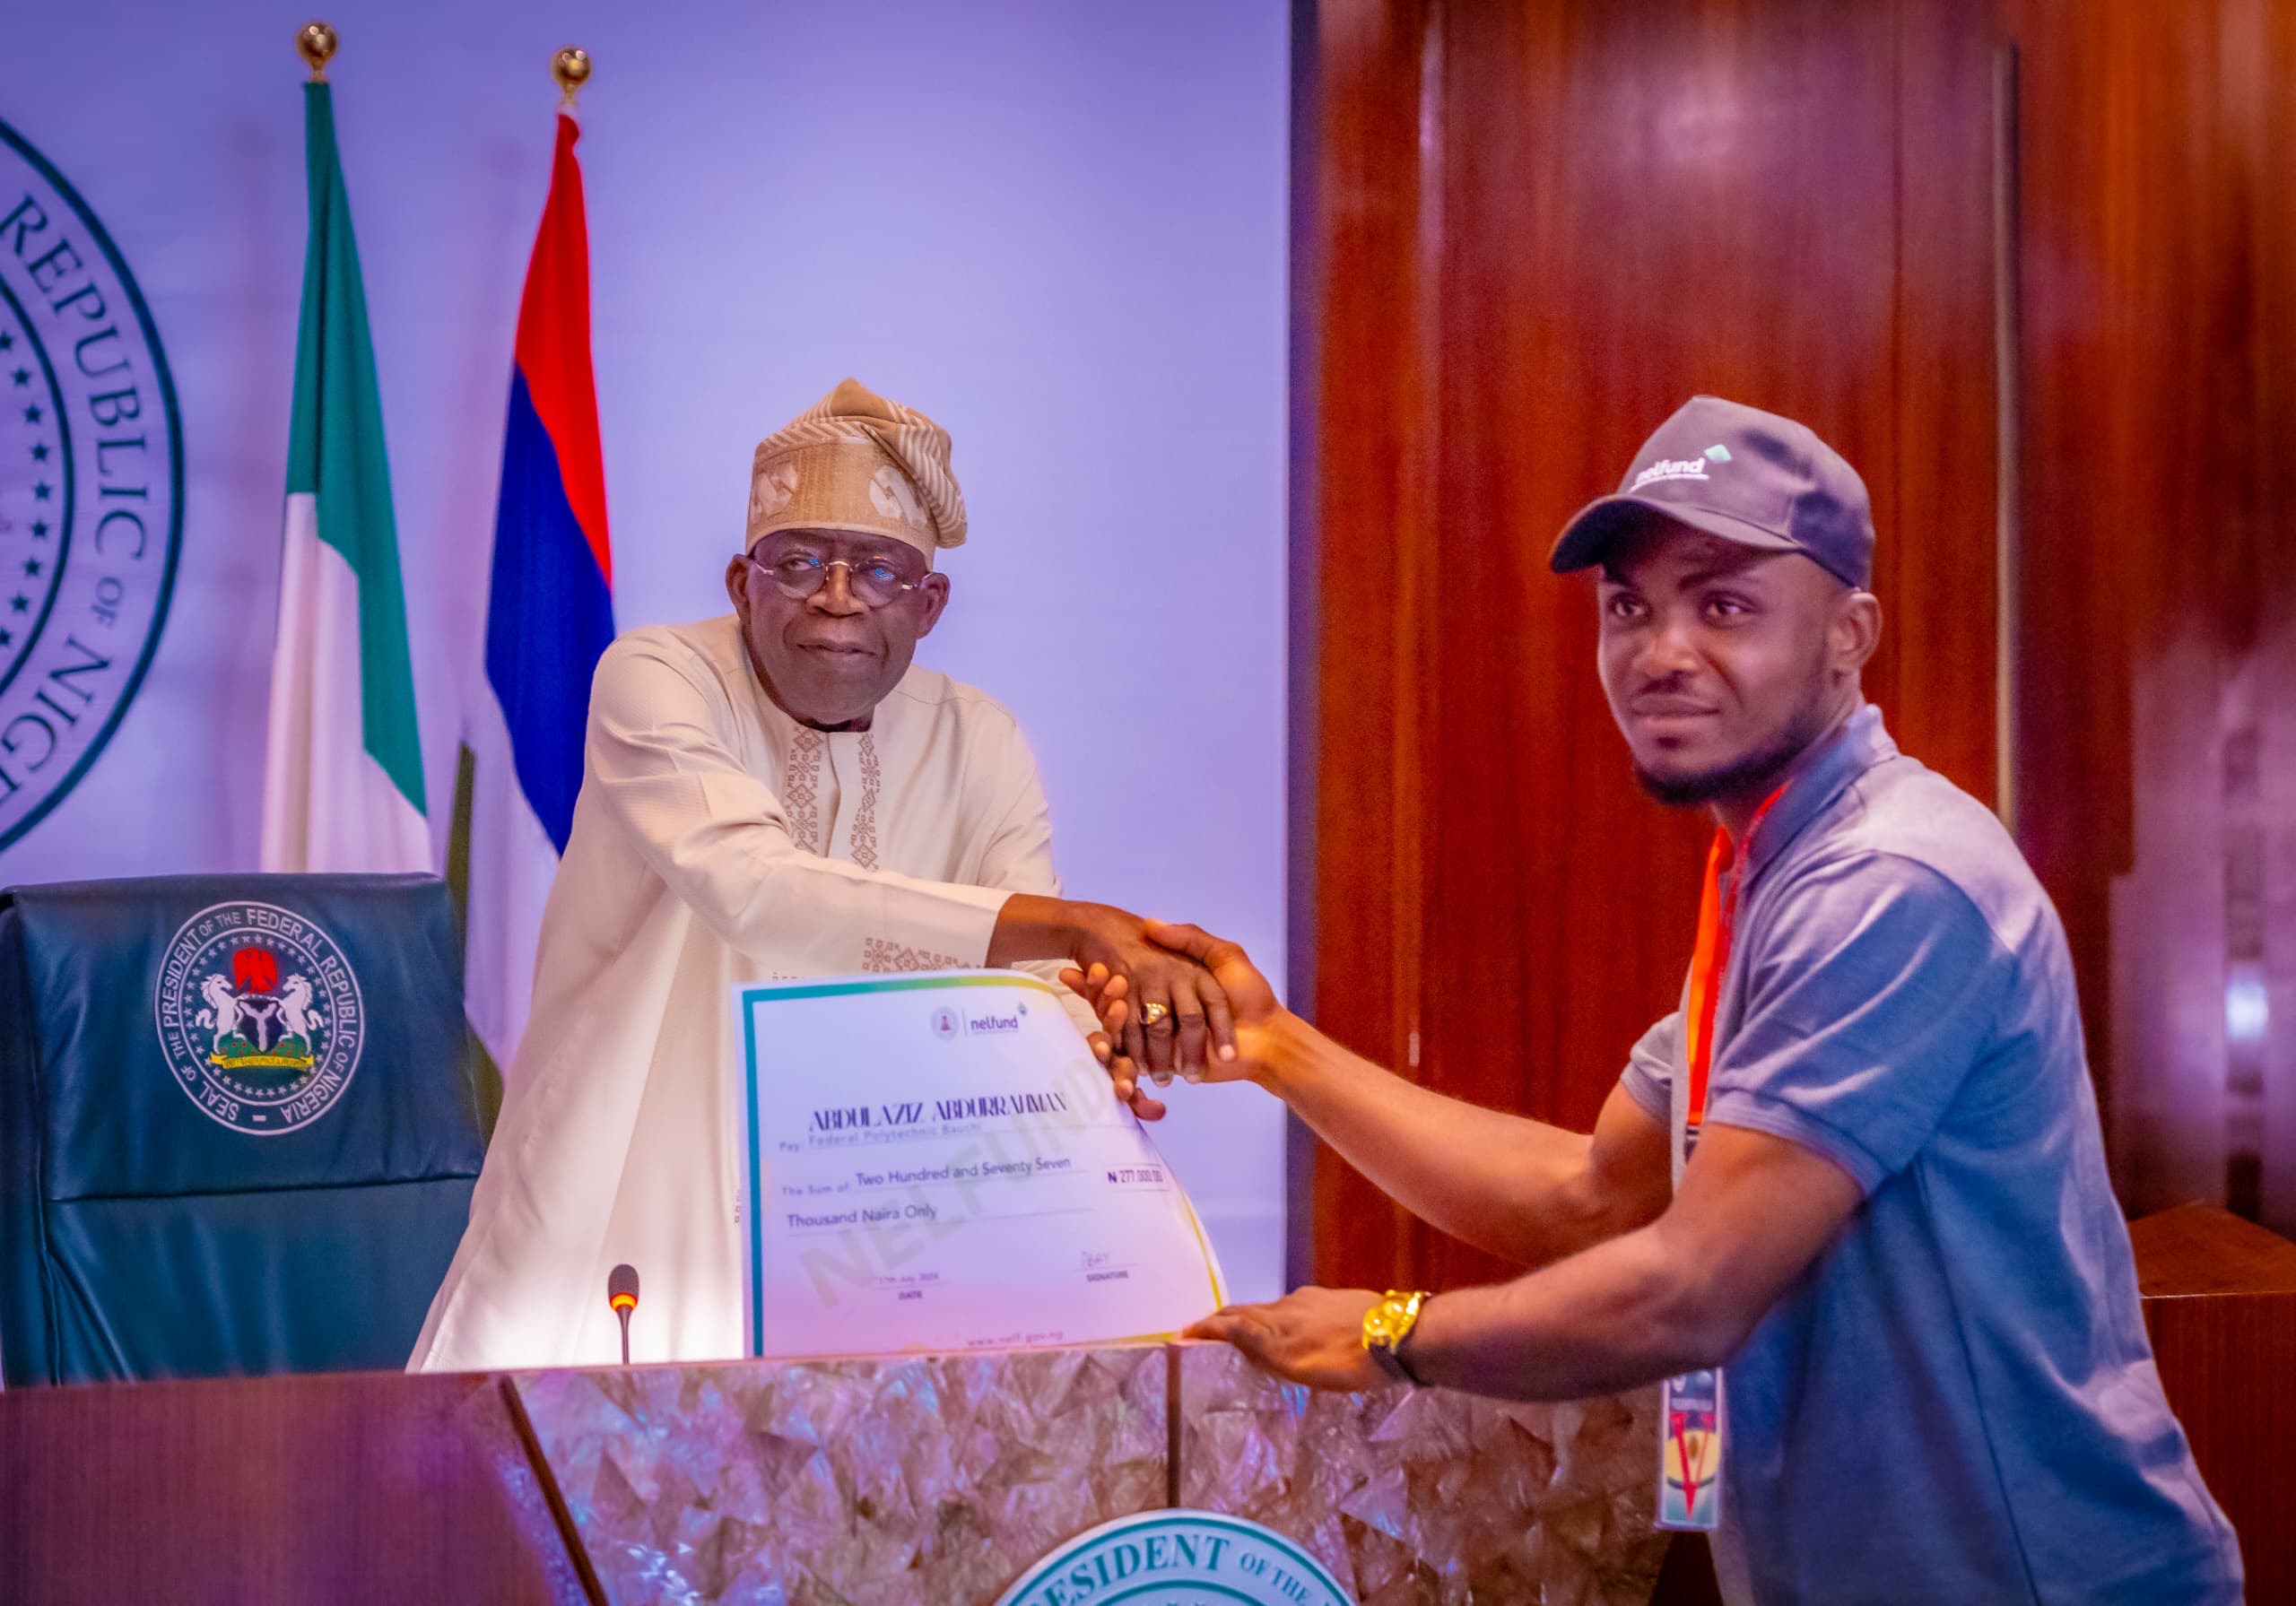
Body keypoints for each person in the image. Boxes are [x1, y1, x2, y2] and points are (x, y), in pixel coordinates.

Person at [1069, 397, 2242, 1603]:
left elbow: (1690, 1288)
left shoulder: (1886, 880)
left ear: (1850, 632)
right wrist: (1274, 1047)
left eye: (1723, 604)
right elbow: (1592, 1195)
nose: (1660, 650)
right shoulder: (1771, 872)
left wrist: (1390, 1333)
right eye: (1629, 606)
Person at [414, 378, 1229, 1371]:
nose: (836, 597)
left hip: (882, 1238)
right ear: (739, 583)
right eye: (798, 562)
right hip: (628, 1206)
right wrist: (1074, 927)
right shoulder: (658, 679)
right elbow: (757, 888)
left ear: (930, 604)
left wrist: (1093, 1045)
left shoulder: (979, 740)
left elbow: (1030, 989)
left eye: (879, 571)